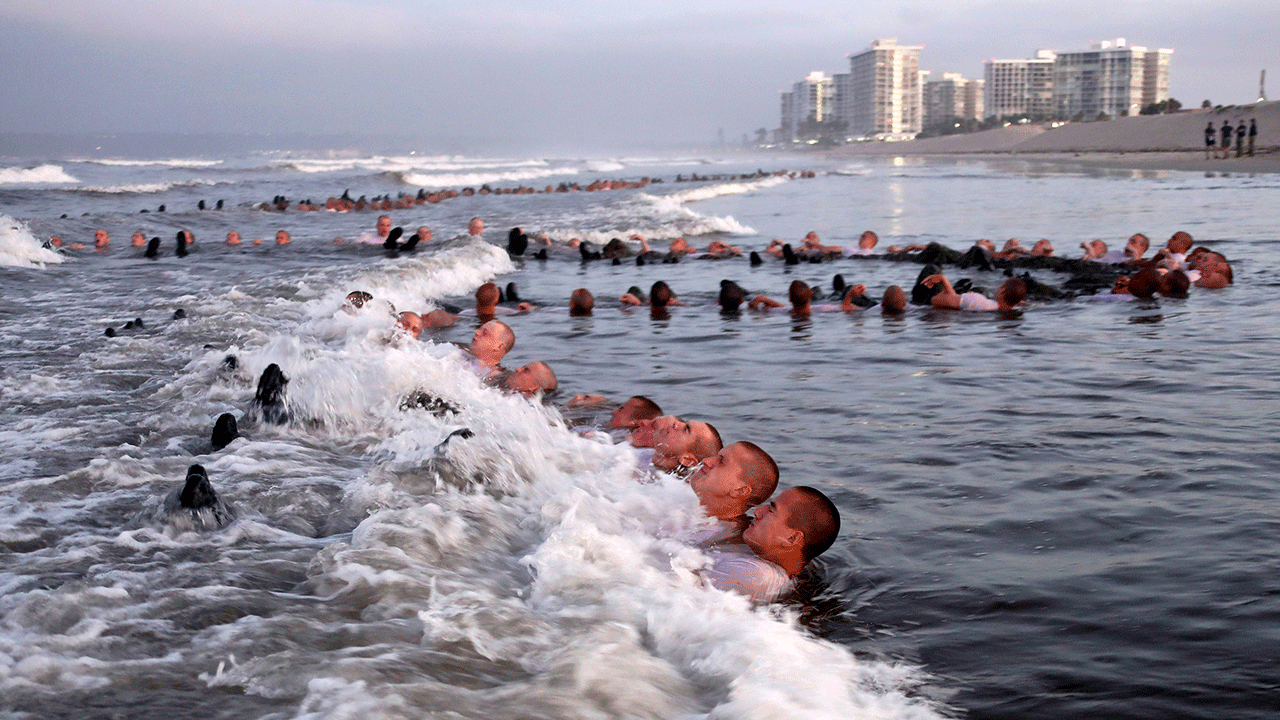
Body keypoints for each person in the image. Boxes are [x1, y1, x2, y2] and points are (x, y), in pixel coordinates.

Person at [702, 486, 840, 603]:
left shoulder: (757, 575)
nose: (757, 511)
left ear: (791, 538)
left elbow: (683, 594)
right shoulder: (765, 566)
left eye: (771, 510)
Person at [688, 441, 779, 523]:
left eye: (721, 461)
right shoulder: (689, 513)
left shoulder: (721, 536)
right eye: (716, 456)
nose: (706, 461)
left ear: (740, 490)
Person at [922, 273, 1026, 311]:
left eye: (1000, 287)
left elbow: (940, 300)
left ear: (1002, 291)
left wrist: (943, 279)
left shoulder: (977, 301)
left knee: (931, 269)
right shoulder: (1013, 308)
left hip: (925, 302)